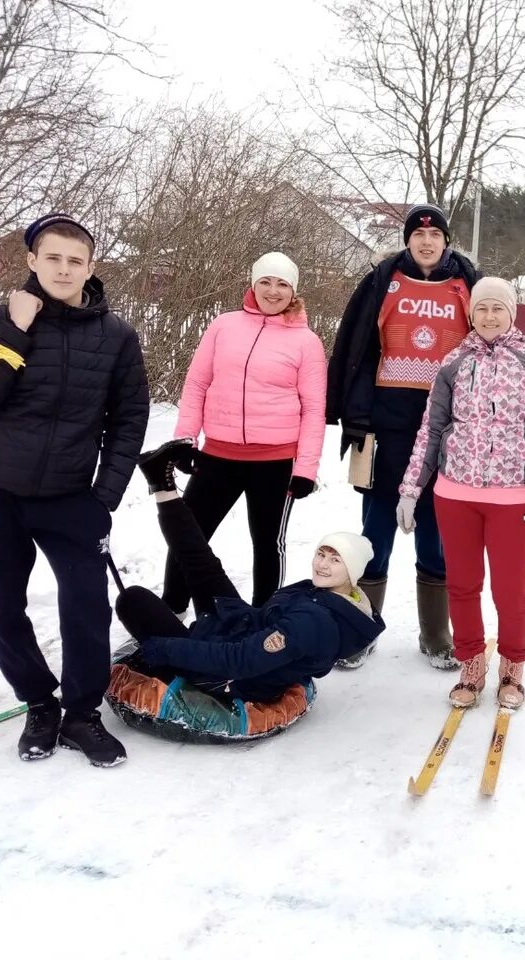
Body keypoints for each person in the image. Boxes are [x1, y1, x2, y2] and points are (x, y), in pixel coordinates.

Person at [0, 213, 149, 767]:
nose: (63, 268)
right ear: (32, 260)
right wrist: (15, 330)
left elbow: (129, 419)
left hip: (69, 497)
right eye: (52, 257)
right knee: (3, 606)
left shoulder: (116, 337)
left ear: (90, 267)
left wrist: (103, 497)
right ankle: (39, 703)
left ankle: (82, 714)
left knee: (86, 604)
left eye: (74, 260)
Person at [396, 277, 525, 709]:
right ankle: (471, 663)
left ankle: (512, 666)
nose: (489, 317)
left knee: (511, 590)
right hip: (455, 494)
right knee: (462, 584)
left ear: (512, 312)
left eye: (498, 308)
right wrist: (411, 489)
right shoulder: (453, 362)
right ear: (471, 313)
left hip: (512, 497)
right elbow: (431, 430)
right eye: (482, 309)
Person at [326, 204, 480, 669]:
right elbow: (354, 344)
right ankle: (362, 626)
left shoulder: (467, 285)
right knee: (376, 528)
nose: (426, 242)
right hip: (385, 421)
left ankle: (435, 633)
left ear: (446, 241)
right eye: (418, 234)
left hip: (446, 424)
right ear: (408, 239)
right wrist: (352, 414)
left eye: (435, 235)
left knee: (436, 528)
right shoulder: (382, 280)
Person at [117, 440, 384, 701]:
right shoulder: (326, 593)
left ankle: (169, 660)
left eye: (336, 560)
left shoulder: (315, 622)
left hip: (226, 677)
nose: (323, 564)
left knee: (133, 600)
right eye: (321, 554)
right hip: (240, 627)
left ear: (353, 571)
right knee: (202, 563)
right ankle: (161, 484)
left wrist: (156, 649)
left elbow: (238, 661)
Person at [164, 251, 327, 611]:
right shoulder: (223, 326)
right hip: (217, 455)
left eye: (282, 284)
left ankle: (264, 618)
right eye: (265, 281)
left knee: (267, 543)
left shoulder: (306, 342)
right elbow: (196, 384)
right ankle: (172, 609)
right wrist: (185, 440)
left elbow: (314, 409)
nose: (273, 291)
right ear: (252, 285)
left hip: (275, 462)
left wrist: (305, 470)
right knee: (188, 536)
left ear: (294, 291)